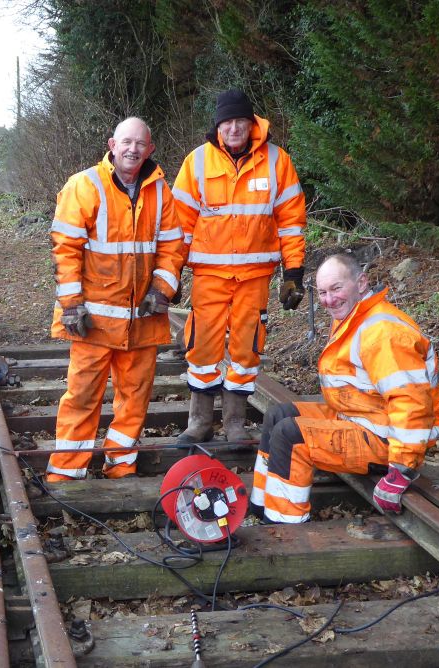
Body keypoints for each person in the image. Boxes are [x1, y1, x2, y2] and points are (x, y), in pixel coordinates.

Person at [250, 253, 439, 523]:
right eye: (323, 292)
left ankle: (284, 525)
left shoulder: (383, 331)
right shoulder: (353, 316)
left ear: (361, 282)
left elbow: (412, 402)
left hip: (385, 439)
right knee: (278, 415)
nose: (329, 300)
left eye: (336, 288)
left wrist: (401, 469)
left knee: (291, 435)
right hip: (357, 419)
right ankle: (260, 507)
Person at [46, 117, 186, 482]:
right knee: (81, 396)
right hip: (93, 318)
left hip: (142, 317)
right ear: (112, 144)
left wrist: (163, 289)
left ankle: (120, 465)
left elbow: (173, 247)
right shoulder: (85, 185)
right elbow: (66, 250)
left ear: (150, 149)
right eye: (126, 142)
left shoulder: (160, 191)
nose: (133, 149)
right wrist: (72, 304)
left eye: (140, 144)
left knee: (135, 397)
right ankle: (67, 472)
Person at [172, 89, 307, 444]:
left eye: (240, 121)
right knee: (202, 347)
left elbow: (291, 222)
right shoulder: (197, 162)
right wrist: (170, 272)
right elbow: (178, 225)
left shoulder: (277, 161)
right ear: (218, 126)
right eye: (227, 122)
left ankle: (235, 423)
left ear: (252, 124)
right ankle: (199, 420)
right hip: (209, 275)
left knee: (247, 349)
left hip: (255, 277)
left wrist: (293, 273)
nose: (234, 128)